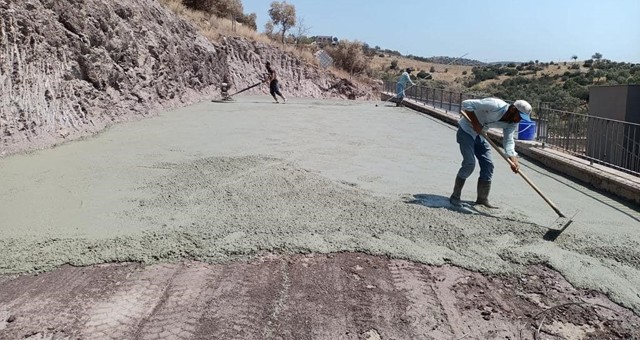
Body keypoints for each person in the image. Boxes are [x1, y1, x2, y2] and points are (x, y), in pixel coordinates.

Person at [449, 98, 533, 208]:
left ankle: (482, 199)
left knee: (488, 165)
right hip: (467, 131)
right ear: (513, 110)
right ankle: (455, 197)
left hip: (481, 134)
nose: (519, 121)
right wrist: (475, 122)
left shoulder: (511, 123)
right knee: (469, 163)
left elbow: (508, 140)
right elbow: (466, 104)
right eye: (520, 117)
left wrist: (513, 160)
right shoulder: (495, 105)